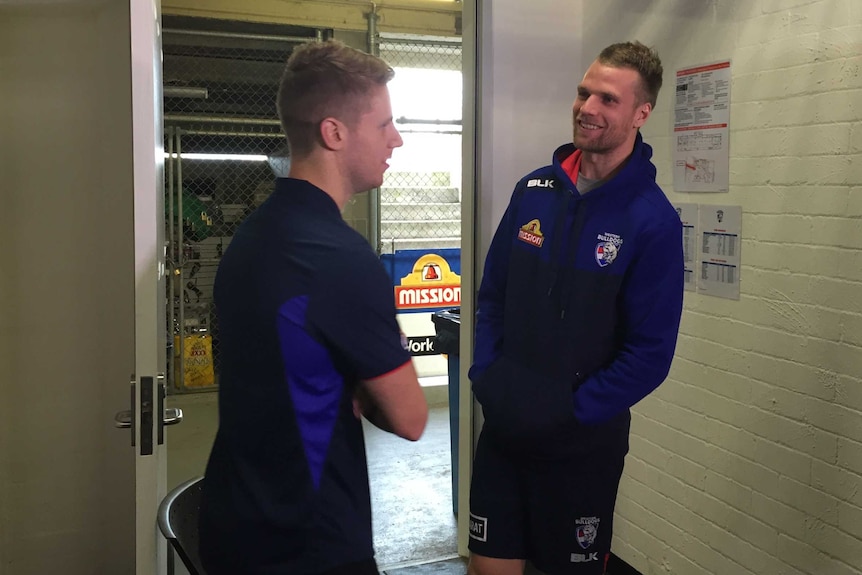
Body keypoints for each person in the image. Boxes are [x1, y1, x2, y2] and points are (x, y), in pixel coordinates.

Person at [198, 39, 429, 575]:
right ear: (334, 132)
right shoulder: (339, 258)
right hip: (310, 545)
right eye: (384, 125)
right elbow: (411, 417)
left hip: (234, 527)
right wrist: (360, 386)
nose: (396, 139)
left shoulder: (252, 236)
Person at [467, 41, 684, 575]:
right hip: (505, 431)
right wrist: (488, 375)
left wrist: (570, 412)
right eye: (584, 92)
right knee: (488, 568)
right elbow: (492, 294)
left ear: (641, 113)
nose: (587, 107)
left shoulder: (651, 221)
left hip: (580, 448)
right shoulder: (534, 190)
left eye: (607, 99)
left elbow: (649, 354)